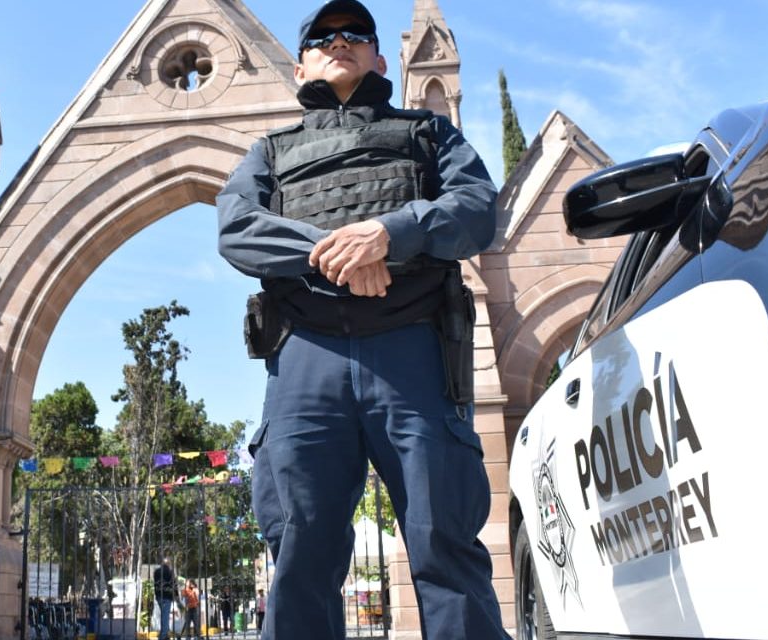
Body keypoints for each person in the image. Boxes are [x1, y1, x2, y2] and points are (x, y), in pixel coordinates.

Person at [215, 1, 508, 639]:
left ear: (380, 57)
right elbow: (238, 229)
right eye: (322, 37)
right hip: (307, 359)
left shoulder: (429, 135)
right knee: (300, 554)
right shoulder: (269, 152)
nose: (338, 41)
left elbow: (479, 208)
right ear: (300, 68)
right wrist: (342, 255)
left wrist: (391, 232)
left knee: (445, 545)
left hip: (414, 354)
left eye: (354, 34)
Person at [151, 557, 177, 639]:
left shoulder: (156, 572)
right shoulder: (170, 572)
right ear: (168, 564)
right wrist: (176, 595)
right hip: (167, 596)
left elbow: (155, 584)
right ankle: (163, 636)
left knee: (163, 615)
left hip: (159, 596)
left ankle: (166, 636)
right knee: (165, 617)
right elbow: (173, 584)